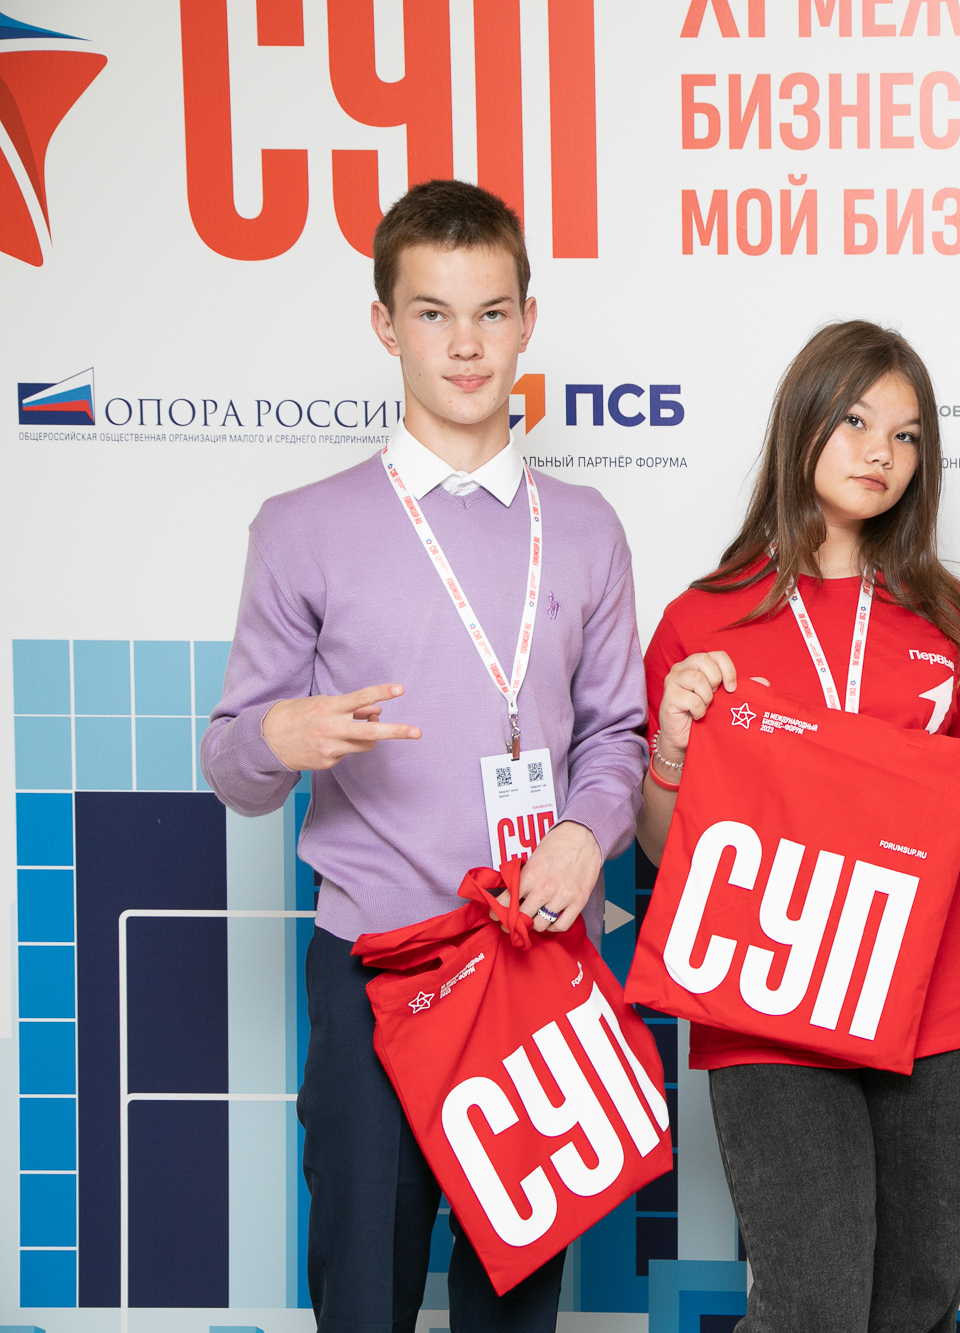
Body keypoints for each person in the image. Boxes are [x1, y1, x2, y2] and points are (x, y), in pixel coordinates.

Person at [201, 179, 647, 1333]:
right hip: (374, 966)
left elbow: (617, 734)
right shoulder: (300, 525)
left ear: (527, 323)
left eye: (491, 313)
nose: (465, 345)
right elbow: (233, 767)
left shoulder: (586, 526)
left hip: (534, 955)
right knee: (364, 1291)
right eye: (433, 313)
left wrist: (584, 833)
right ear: (384, 324)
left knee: (515, 1303)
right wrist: (277, 736)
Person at [635, 320, 960, 1333]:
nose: (880, 451)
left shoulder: (956, 619)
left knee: (915, 1307)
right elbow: (663, 851)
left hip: (937, 997)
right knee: (810, 1308)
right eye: (855, 420)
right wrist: (671, 748)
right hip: (768, 994)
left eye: (906, 434)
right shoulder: (700, 621)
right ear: (801, 423)